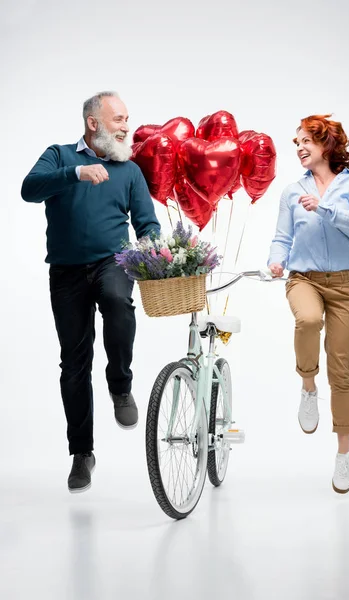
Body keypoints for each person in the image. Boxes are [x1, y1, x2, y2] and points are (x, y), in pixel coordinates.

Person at [21, 91, 161, 493]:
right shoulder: (60, 156)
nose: (126, 126)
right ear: (93, 123)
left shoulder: (129, 171)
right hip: (65, 272)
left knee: (119, 302)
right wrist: (74, 174)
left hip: (111, 263)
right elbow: (29, 190)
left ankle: (120, 385)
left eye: (127, 118)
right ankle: (82, 453)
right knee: (73, 364)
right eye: (119, 118)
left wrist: (155, 250)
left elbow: (147, 224)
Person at [268, 114, 349, 494]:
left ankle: (343, 454)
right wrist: (275, 260)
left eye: (305, 141)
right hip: (303, 279)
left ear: (326, 144)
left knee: (342, 371)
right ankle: (308, 386)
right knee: (308, 321)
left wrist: (326, 208)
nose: (298, 147)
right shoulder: (291, 191)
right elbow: (282, 237)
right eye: (295, 142)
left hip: (346, 285)